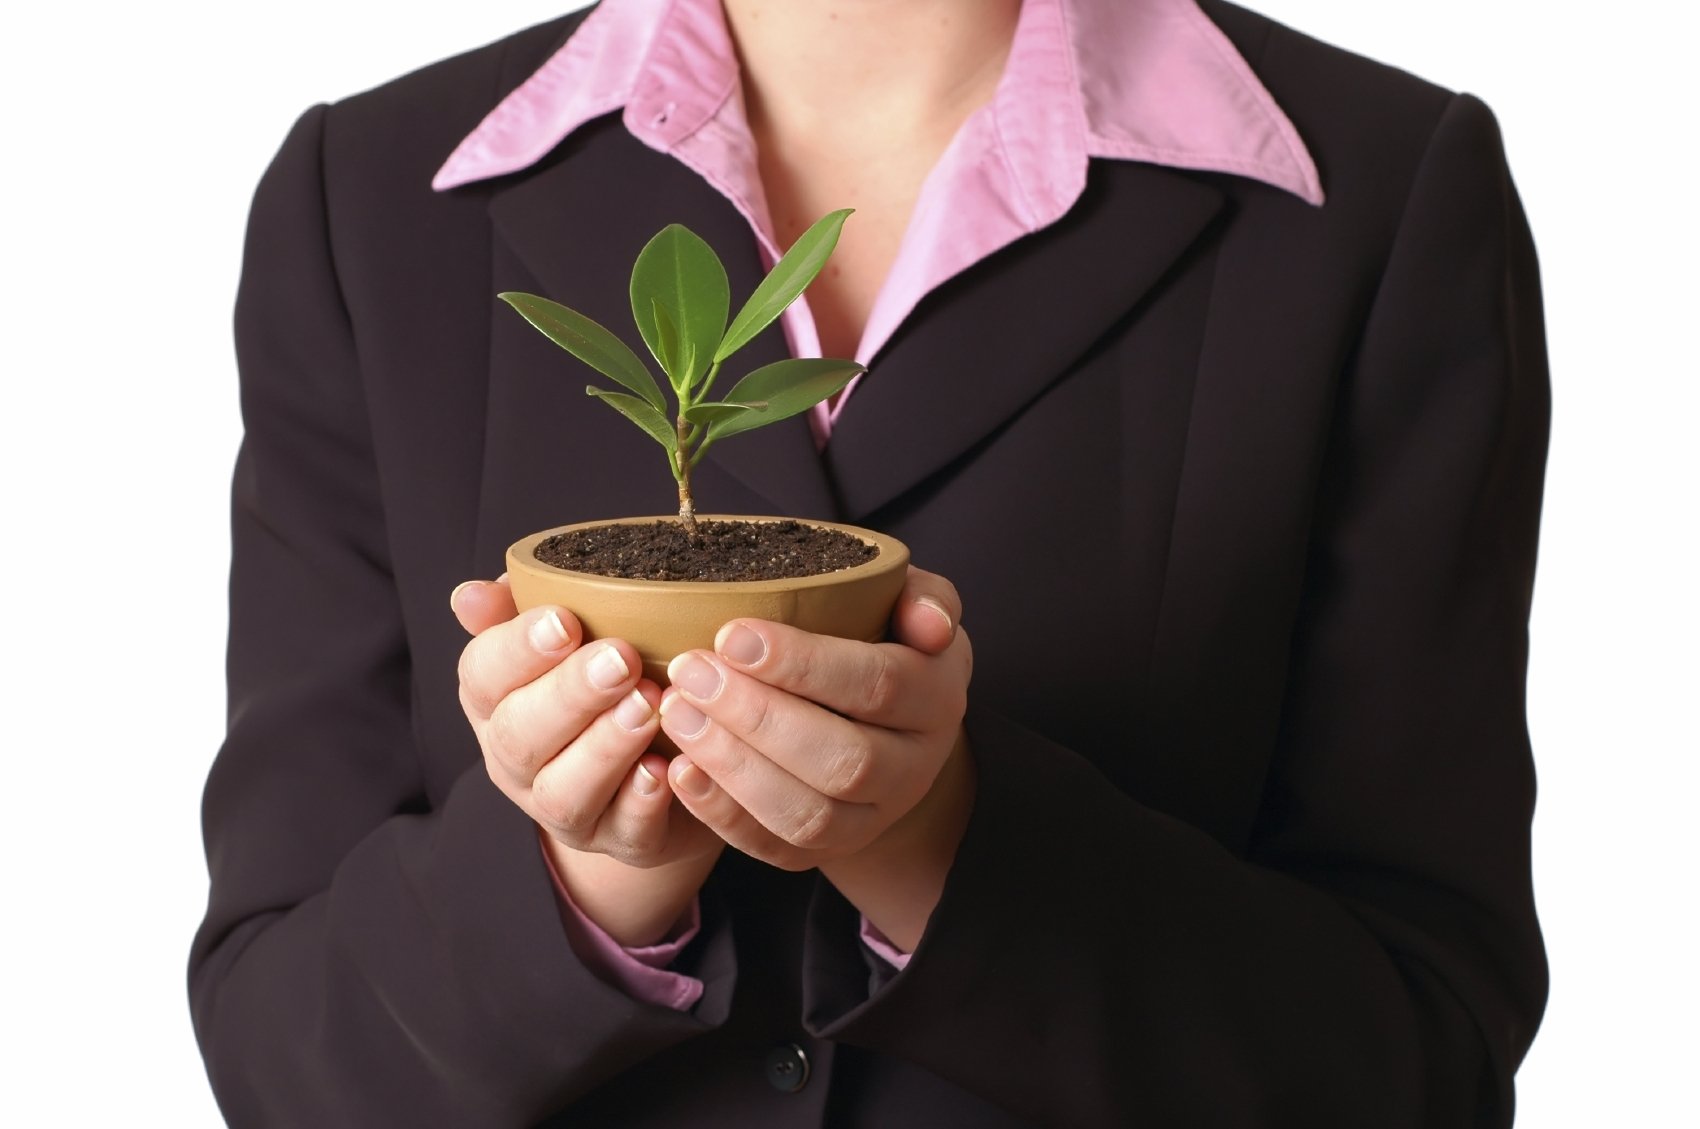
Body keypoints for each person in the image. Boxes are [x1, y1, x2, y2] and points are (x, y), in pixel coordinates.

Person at [188, 0, 1551, 1124]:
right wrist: (588, 880)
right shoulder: (371, 202)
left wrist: (940, 840)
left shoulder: (1375, 198)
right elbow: (280, 1052)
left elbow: (1425, 1053)